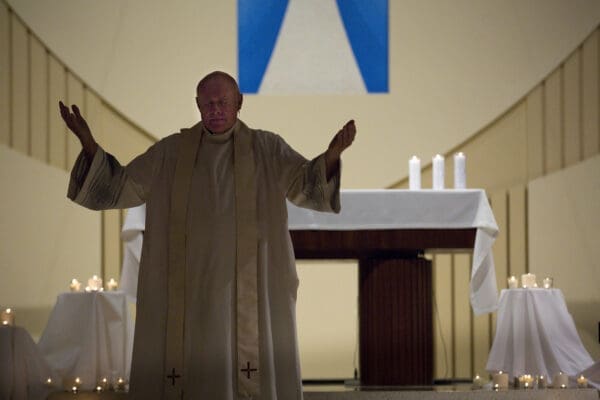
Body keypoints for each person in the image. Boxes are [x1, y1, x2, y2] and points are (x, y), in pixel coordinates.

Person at [59, 71, 356, 400]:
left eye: (223, 102)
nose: (215, 109)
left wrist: (331, 157)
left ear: (240, 103)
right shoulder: (170, 152)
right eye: (208, 103)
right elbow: (119, 187)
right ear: (197, 105)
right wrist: (89, 145)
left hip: (249, 288)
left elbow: (305, 186)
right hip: (188, 291)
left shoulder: (268, 149)